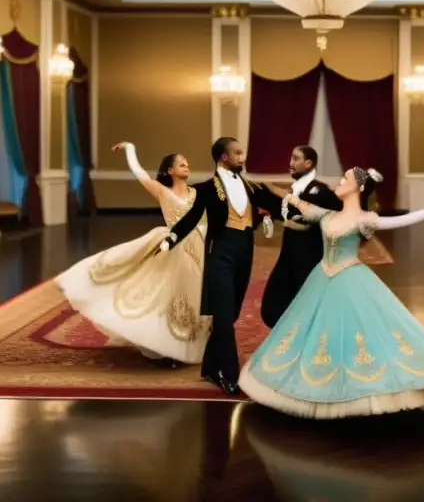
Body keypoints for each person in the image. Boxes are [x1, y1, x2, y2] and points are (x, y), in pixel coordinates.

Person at [239, 167, 424, 419]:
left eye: (345, 179)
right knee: (312, 334)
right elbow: (296, 202)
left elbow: (398, 221)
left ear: (358, 188)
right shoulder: (327, 214)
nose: (339, 180)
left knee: (359, 335)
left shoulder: (365, 219)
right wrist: (268, 188)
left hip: (350, 278)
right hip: (321, 279)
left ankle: (362, 389)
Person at [56, 143, 209, 365]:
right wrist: (130, 149)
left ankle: (184, 346)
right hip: (173, 246)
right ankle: (160, 348)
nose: (186, 164)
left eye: (186, 162)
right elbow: (138, 172)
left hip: (198, 248)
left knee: (192, 300)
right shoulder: (161, 190)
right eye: (180, 162)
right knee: (164, 295)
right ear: (170, 171)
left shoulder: (197, 193)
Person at [162, 137, 284, 395]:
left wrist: (309, 212)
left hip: (244, 251)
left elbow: (277, 207)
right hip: (221, 253)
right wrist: (170, 239)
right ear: (223, 157)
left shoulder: (250, 186)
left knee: (231, 313)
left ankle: (209, 366)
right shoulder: (207, 188)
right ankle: (229, 375)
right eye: (237, 153)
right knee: (224, 313)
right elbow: (191, 217)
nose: (243, 157)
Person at [260, 145, 342, 328]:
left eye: (296, 159)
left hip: (309, 261)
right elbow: (283, 211)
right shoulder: (295, 190)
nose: (291, 163)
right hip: (289, 256)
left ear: (309, 163)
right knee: (273, 306)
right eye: (291, 158)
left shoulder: (321, 191)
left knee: (305, 305)